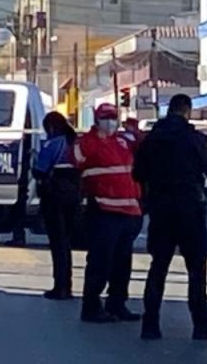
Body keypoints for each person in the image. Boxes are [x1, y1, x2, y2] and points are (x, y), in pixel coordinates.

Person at [133, 94, 207, 341]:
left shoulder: (152, 139)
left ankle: (150, 324)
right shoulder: (194, 138)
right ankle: (200, 325)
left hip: (161, 209)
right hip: (191, 209)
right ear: (187, 111)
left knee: (158, 266)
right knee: (196, 270)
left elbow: (137, 172)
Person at [72, 104, 143, 323]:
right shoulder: (87, 142)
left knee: (123, 262)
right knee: (100, 261)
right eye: (106, 117)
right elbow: (78, 160)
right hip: (103, 210)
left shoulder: (123, 142)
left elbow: (142, 149)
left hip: (128, 211)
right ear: (97, 119)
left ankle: (117, 303)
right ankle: (91, 306)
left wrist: (136, 132)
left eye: (113, 117)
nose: (110, 121)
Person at [33, 112, 81, 300]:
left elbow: (40, 170)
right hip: (74, 194)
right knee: (67, 242)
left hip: (55, 195)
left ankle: (60, 286)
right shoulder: (75, 143)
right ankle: (67, 286)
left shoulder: (53, 144)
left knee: (58, 242)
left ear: (51, 127)